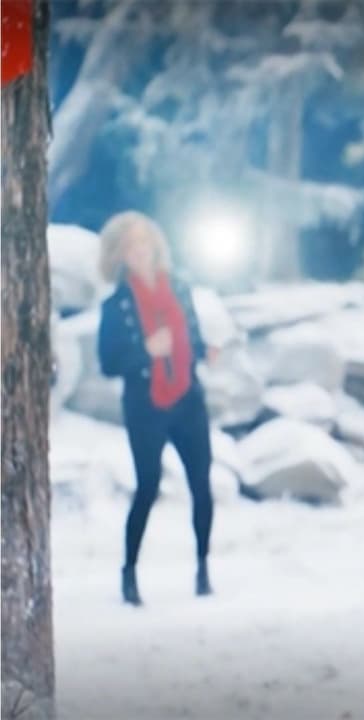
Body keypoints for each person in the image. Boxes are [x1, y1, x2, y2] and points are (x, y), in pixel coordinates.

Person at [96, 211, 217, 606]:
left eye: (144, 242)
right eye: (130, 245)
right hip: (145, 404)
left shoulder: (179, 288)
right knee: (147, 486)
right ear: (119, 254)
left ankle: (203, 568)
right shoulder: (117, 305)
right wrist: (145, 354)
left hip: (187, 396)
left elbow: (191, 339)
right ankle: (129, 573)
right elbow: (109, 362)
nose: (140, 251)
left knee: (201, 483)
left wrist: (205, 350)